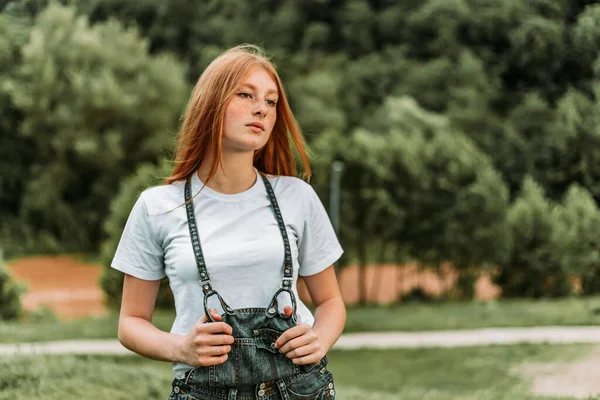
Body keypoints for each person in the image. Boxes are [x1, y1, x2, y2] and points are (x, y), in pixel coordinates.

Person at [111, 44, 346, 400]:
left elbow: (331, 303)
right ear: (211, 104)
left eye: (271, 101)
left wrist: (319, 339)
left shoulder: (296, 196)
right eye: (246, 94)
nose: (261, 109)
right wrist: (181, 349)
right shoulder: (157, 207)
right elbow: (130, 324)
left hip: (301, 389)